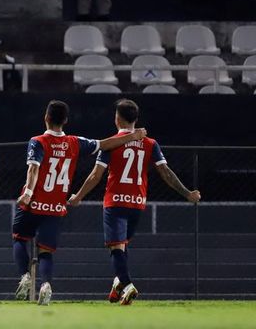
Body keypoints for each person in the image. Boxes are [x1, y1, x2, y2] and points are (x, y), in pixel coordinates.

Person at [13, 100, 147, 306]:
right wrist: (133, 136)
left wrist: (28, 192)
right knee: (46, 251)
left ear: (46, 118)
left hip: (33, 202)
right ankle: (46, 284)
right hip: (57, 206)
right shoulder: (75, 142)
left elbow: (33, 168)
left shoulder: (37, 141)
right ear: (65, 120)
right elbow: (104, 144)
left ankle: (25, 276)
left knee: (20, 239)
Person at [69, 99, 201, 305]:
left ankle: (128, 284)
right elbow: (165, 172)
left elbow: (96, 176)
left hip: (115, 203)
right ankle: (117, 286)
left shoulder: (112, 143)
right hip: (137, 203)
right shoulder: (150, 143)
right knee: (122, 246)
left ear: (117, 118)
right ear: (136, 119)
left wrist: (78, 196)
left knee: (115, 248)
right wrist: (187, 193)